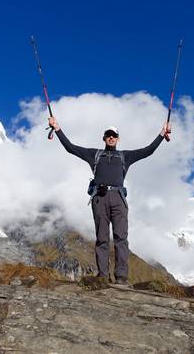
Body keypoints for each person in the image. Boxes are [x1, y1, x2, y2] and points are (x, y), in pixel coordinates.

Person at [48, 116, 171, 285]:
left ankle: (121, 277)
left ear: (118, 139)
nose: (111, 137)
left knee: (121, 238)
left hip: (118, 199)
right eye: (108, 135)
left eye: (114, 135)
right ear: (104, 138)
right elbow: (71, 148)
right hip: (99, 198)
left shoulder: (125, 156)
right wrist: (57, 128)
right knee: (102, 238)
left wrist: (161, 134)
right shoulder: (95, 154)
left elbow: (148, 150)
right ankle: (103, 276)